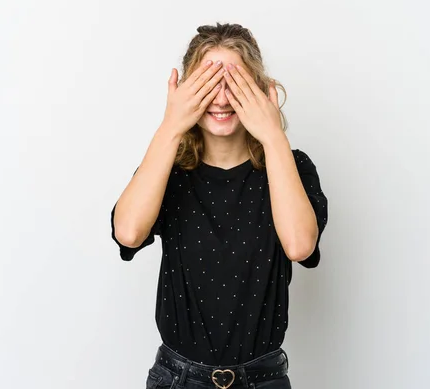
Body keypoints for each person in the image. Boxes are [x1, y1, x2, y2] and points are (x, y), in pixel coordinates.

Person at [110, 23, 328, 389]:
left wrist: (273, 135)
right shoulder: (168, 171)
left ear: (258, 90)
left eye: (235, 83)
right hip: (178, 378)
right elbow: (128, 234)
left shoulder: (292, 167)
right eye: (208, 84)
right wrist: (171, 126)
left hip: (263, 379)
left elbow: (299, 245)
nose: (221, 98)